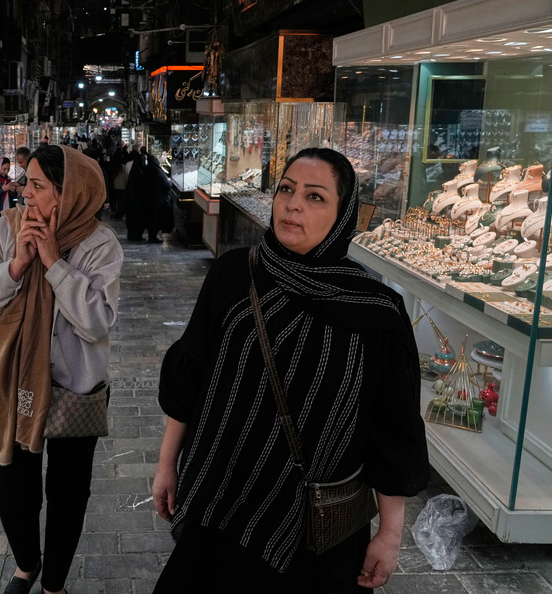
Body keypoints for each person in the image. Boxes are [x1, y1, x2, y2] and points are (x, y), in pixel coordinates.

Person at [152, 147, 429, 593]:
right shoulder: (233, 275)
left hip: (317, 534)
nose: (292, 204)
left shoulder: (376, 311)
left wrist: (390, 533)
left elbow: (392, 428)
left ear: (343, 214)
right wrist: (167, 465)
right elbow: (189, 377)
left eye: (315, 196)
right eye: (286, 190)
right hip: (222, 506)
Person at [0, 145, 124, 594]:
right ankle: (26, 565)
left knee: (68, 496)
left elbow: (95, 322)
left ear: (68, 194)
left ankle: (54, 584)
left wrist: (53, 262)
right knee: (13, 492)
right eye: (25, 182)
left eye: (37, 185)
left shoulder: (98, 244)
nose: (24, 192)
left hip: (75, 391)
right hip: (13, 385)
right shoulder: (7, 229)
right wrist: (16, 266)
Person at [143, 153, 171, 243]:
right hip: (158, 200)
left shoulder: (147, 171)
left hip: (149, 199)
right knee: (157, 219)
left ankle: (152, 236)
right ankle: (153, 237)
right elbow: (167, 185)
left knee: (151, 219)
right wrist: (169, 182)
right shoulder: (158, 172)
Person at [124, 148, 147, 241]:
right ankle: (136, 235)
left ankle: (133, 234)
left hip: (131, 201)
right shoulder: (141, 173)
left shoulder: (134, 172)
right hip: (138, 201)